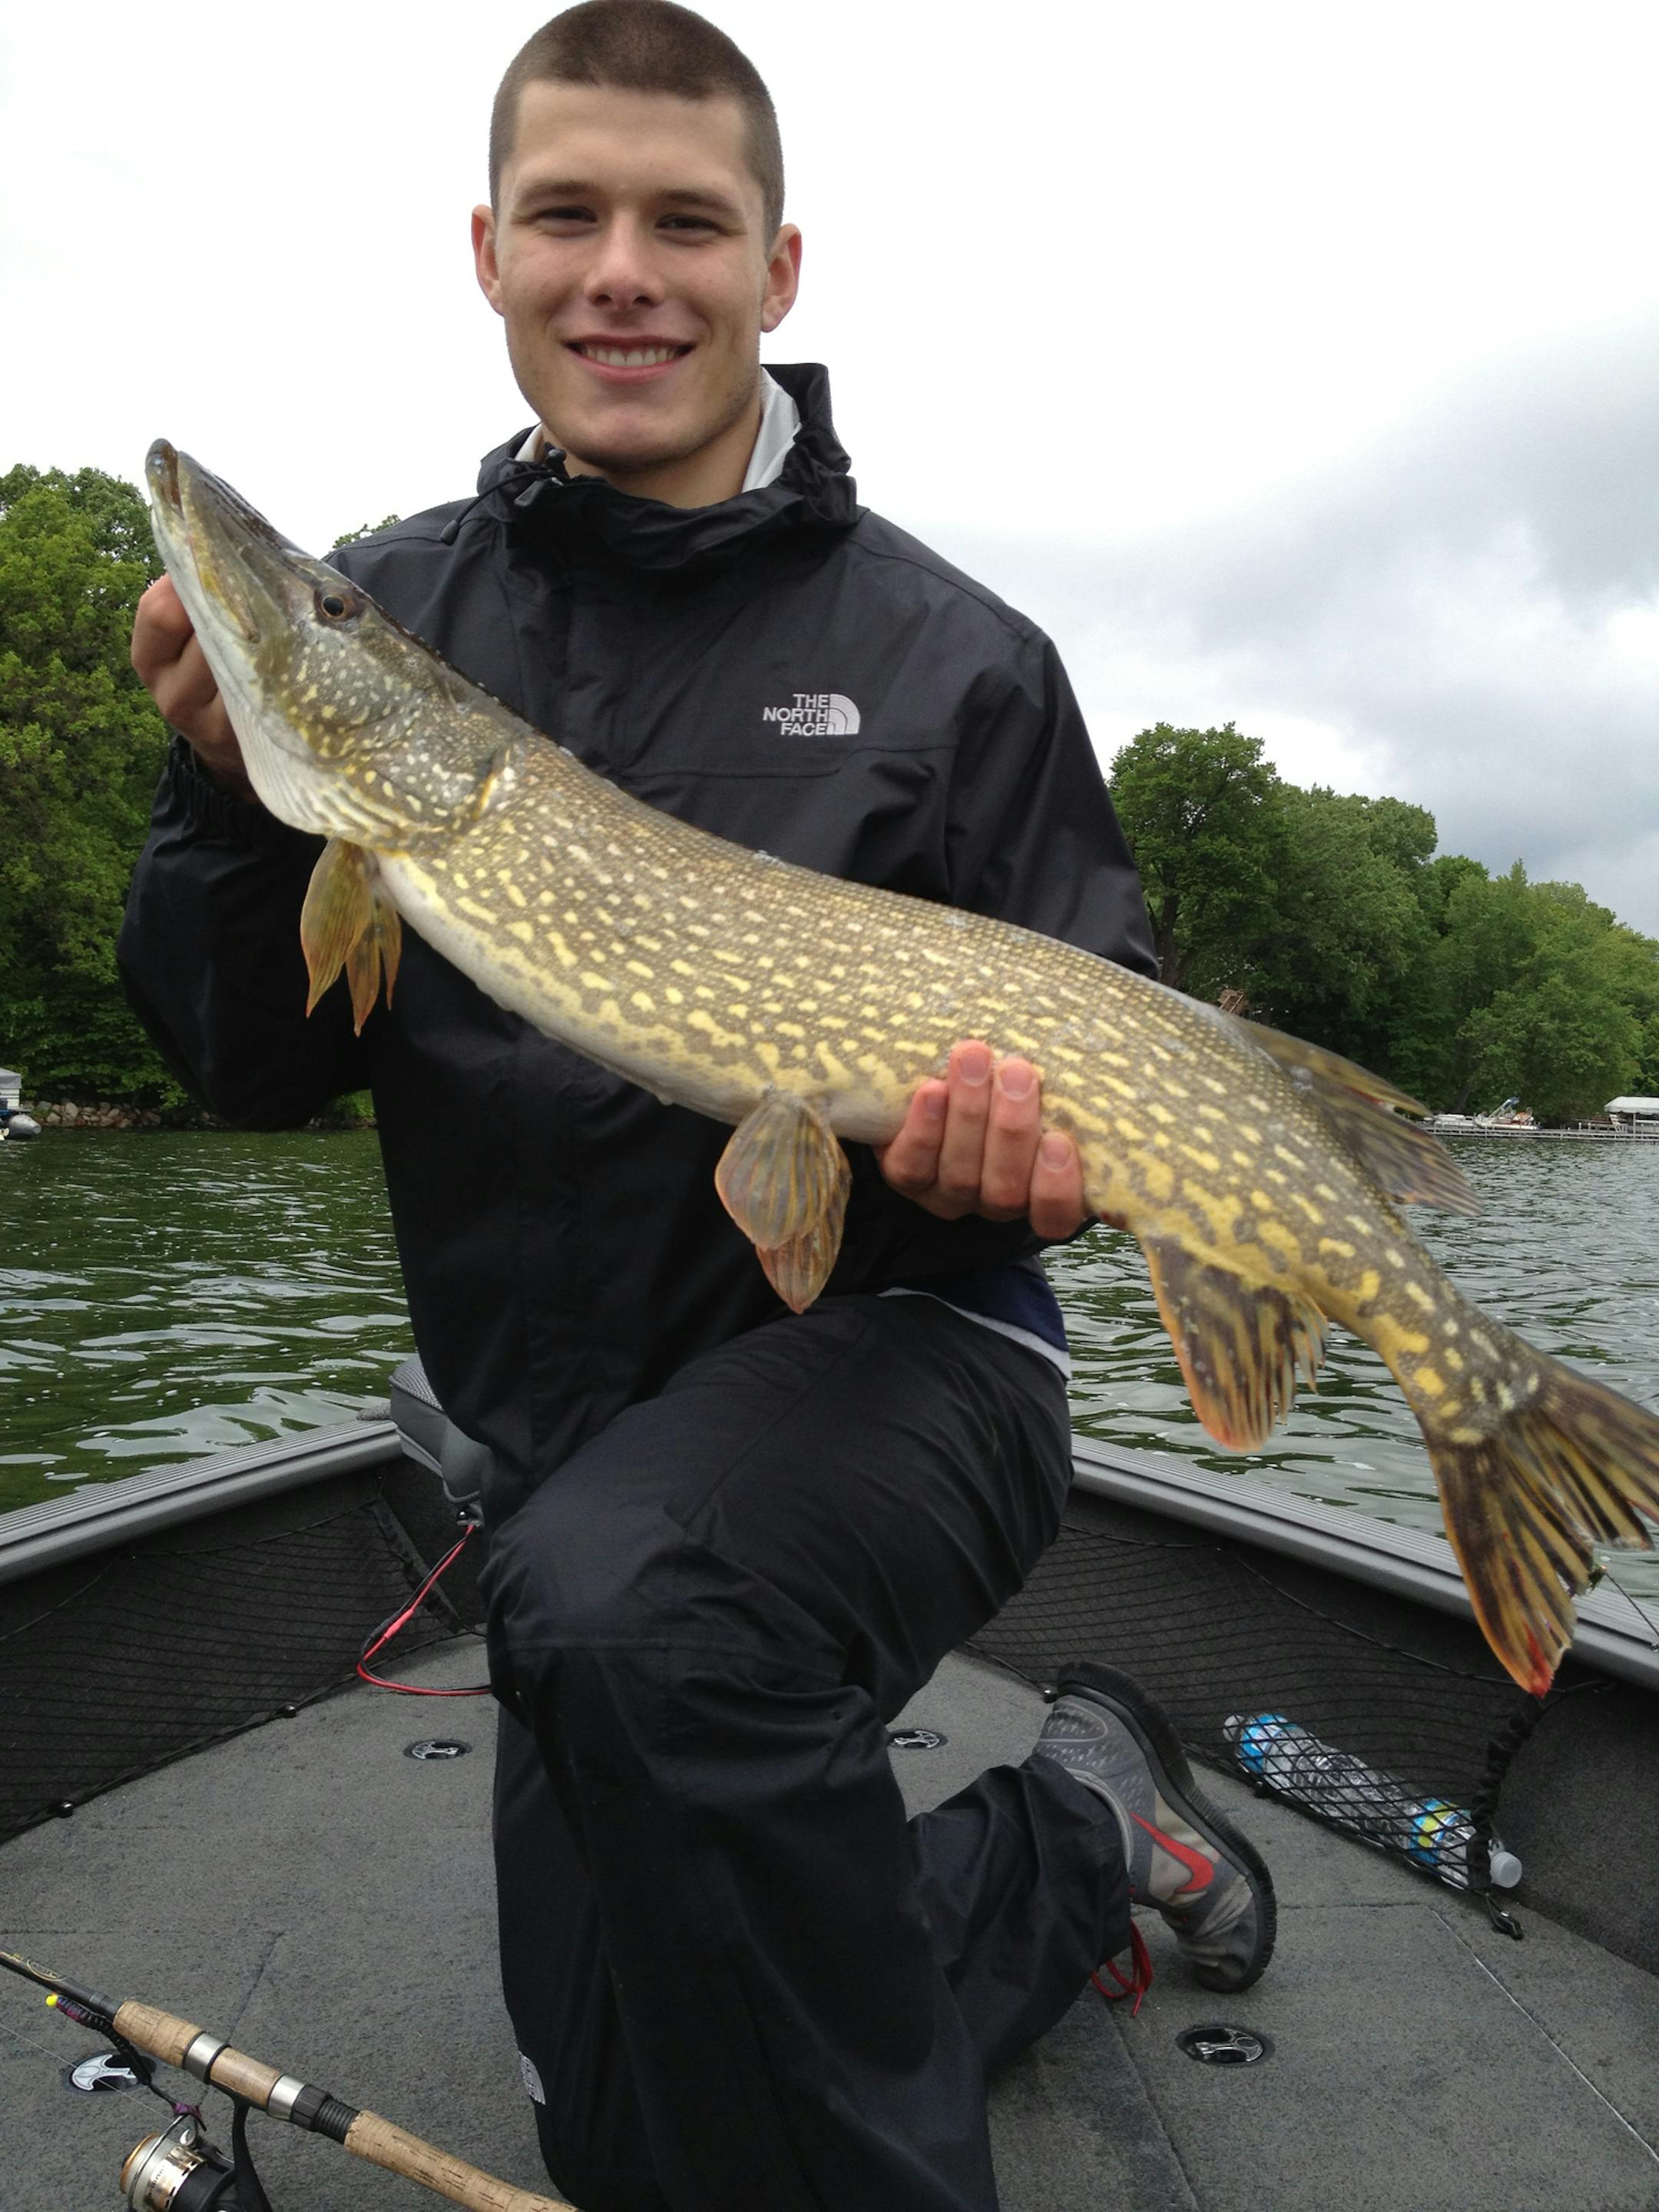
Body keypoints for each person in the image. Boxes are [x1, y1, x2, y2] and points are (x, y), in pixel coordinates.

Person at [124, 7, 1273, 2207]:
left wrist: (994, 1179)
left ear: (780, 268)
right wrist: (224, 795)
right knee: (641, 2089)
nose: (622, 268)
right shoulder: (406, 618)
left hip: (916, 1360)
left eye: (687, 222)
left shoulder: (958, 658)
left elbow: (1103, 1030)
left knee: (643, 1625)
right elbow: (241, 1068)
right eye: (568, 215)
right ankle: (1071, 1830)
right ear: (489, 250)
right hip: (572, 1458)